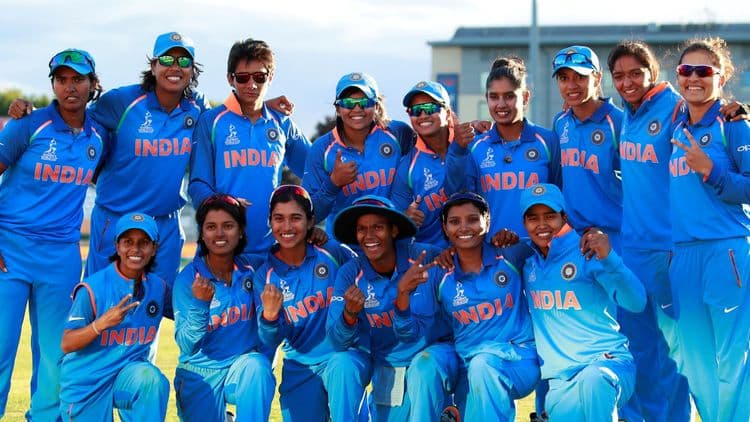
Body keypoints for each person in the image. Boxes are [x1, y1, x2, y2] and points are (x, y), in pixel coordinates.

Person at [0, 48, 105, 420]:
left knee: (55, 355)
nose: (69, 87)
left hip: (60, 256)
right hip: (9, 251)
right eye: (61, 79)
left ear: (92, 84)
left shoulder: (99, 136)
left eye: (78, 79)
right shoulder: (28, 124)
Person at [607, 40, 692, 422]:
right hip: (632, 251)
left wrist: (732, 111)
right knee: (637, 347)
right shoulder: (627, 115)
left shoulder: (674, 107)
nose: (627, 82)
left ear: (651, 72)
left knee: (674, 352)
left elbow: (707, 118)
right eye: (619, 75)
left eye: (635, 74)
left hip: (669, 250)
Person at [668, 37, 750, 422]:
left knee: (732, 359)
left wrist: (712, 171)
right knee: (694, 360)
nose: (694, 78)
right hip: (684, 256)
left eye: (704, 71)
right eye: (686, 70)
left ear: (722, 77)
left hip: (726, 251)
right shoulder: (677, 125)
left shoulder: (733, 124)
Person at [520, 183, 646, 420]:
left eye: (550, 216)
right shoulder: (527, 261)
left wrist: (610, 258)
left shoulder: (587, 250)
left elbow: (636, 302)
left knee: (593, 379)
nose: (542, 224)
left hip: (606, 364)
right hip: (561, 383)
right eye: (533, 218)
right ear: (524, 223)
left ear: (564, 217)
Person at [327, 196, 458, 421]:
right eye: (361, 229)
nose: (369, 236)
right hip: (387, 364)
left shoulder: (427, 258)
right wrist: (349, 314)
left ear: (394, 230)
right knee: (340, 363)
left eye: (378, 227)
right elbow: (337, 342)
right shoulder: (350, 273)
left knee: (424, 366)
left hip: (433, 358)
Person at [255, 185, 367, 421]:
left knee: (343, 365)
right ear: (270, 222)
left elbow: (367, 281)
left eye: (296, 218)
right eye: (279, 218)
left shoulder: (332, 252)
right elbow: (270, 340)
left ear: (311, 221)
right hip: (300, 366)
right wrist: (270, 318)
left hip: (344, 357)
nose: (287, 227)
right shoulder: (265, 275)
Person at [189, 38, 310, 255]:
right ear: (230, 78)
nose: (252, 85)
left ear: (270, 77)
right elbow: (198, 185)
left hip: (272, 253)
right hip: (222, 252)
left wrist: (309, 221)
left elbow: (316, 171)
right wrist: (224, 206)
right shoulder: (211, 122)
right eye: (243, 77)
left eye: (260, 77)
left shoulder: (282, 122)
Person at [437, 192, 539, 421]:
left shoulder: (510, 253)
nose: (464, 227)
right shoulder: (440, 273)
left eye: (473, 219)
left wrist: (513, 237)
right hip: (469, 368)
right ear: (445, 228)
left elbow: (546, 249)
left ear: (487, 221)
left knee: (483, 365)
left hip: (519, 359)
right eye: (454, 222)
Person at [172, 193, 275, 421]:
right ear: (202, 233)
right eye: (211, 227)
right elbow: (187, 345)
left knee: (257, 366)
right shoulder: (187, 279)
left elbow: (290, 257)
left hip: (242, 368)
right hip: (199, 372)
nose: (219, 234)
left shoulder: (254, 268)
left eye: (228, 226)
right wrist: (200, 304)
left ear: (241, 231)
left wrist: (313, 237)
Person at [59, 213, 169, 421]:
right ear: (118, 246)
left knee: (151, 380)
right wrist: (100, 324)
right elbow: (67, 343)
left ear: (154, 249)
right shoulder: (93, 288)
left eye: (144, 243)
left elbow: (186, 312)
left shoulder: (158, 287)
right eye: (128, 242)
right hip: (88, 384)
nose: (135, 249)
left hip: (127, 378)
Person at [447, 57, 562, 238]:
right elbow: (457, 196)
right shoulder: (475, 146)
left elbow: (561, 199)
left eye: (509, 96)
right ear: (486, 98)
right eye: (494, 97)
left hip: (539, 249)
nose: (501, 104)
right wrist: (457, 150)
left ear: (525, 97)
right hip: (492, 250)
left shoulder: (548, 141)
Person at [302, 73, 404, 236]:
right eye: (348, 103)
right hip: (343, 246)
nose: (357, 109)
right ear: (337, 108)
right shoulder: (321, 149)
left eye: (364, 102)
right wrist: (333, 184)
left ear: (376, 105)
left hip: (390, 242)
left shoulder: (398, 133)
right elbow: (308, 216)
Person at [390, 81, 474, 248]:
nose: (422, 115)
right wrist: (404, 218)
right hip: (433, 257)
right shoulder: (407, 167)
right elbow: (394, 223)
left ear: (447, 112)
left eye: (429, 108)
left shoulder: (473, 144)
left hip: (477, 251)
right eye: (415, 111)